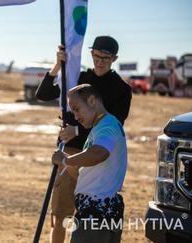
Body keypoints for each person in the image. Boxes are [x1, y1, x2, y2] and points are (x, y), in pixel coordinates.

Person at [35, 36, 132, 243]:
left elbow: (114, 125)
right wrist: (57, 66)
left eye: (105, 57)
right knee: (60, 215)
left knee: (90, 213)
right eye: (97, 56)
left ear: (114, 58)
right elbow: (42, 94)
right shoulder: (76, 76)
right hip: (69, 151)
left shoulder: (122, 89)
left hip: (98, 160)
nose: (100, 61)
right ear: (91, 53)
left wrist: (76, 131)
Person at [52, 84, 127, 243]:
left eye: (77, 109)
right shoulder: (99, 128)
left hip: (96, 215)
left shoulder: (107, 125)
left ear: (92, 101)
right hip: (96, 212)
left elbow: (99, 154)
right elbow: (84, 173)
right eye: (73, 111)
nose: (76, 116)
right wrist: (64, 164)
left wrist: (67, 160)